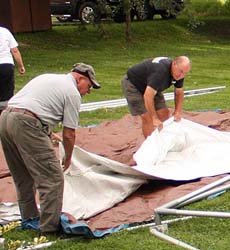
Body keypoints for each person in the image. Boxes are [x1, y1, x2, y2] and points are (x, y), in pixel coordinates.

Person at [0, 63, 100, 235]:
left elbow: (31, 106)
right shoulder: (72, 93)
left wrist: (48, 133)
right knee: (52, 179)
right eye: (89, 86)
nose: (88, 91)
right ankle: (49, 229)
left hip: (6, 119)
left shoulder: (47, 77)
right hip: (27, 124)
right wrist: (67, 157)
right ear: (79, 78)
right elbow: (69, 134)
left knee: (23, 177)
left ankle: (29, 219)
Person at [121, 56, 192, 138]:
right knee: (147, 118)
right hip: (133, 84)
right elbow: (148, 96)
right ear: (174, 64)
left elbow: (179, 91)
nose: (181, 76)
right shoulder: (160, 71)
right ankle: (151, 145)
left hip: (152, 85)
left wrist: (178, 111)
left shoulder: (179, 73)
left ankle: (163, 140)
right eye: (181, 71)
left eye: (185, 73)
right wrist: (154, 117)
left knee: (164, 113)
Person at [0, 26, 26, 112]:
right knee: (7, 91)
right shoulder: (5, 31)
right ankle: (4, 113)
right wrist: (21, 66)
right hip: (6, 64)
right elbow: (15, 50)